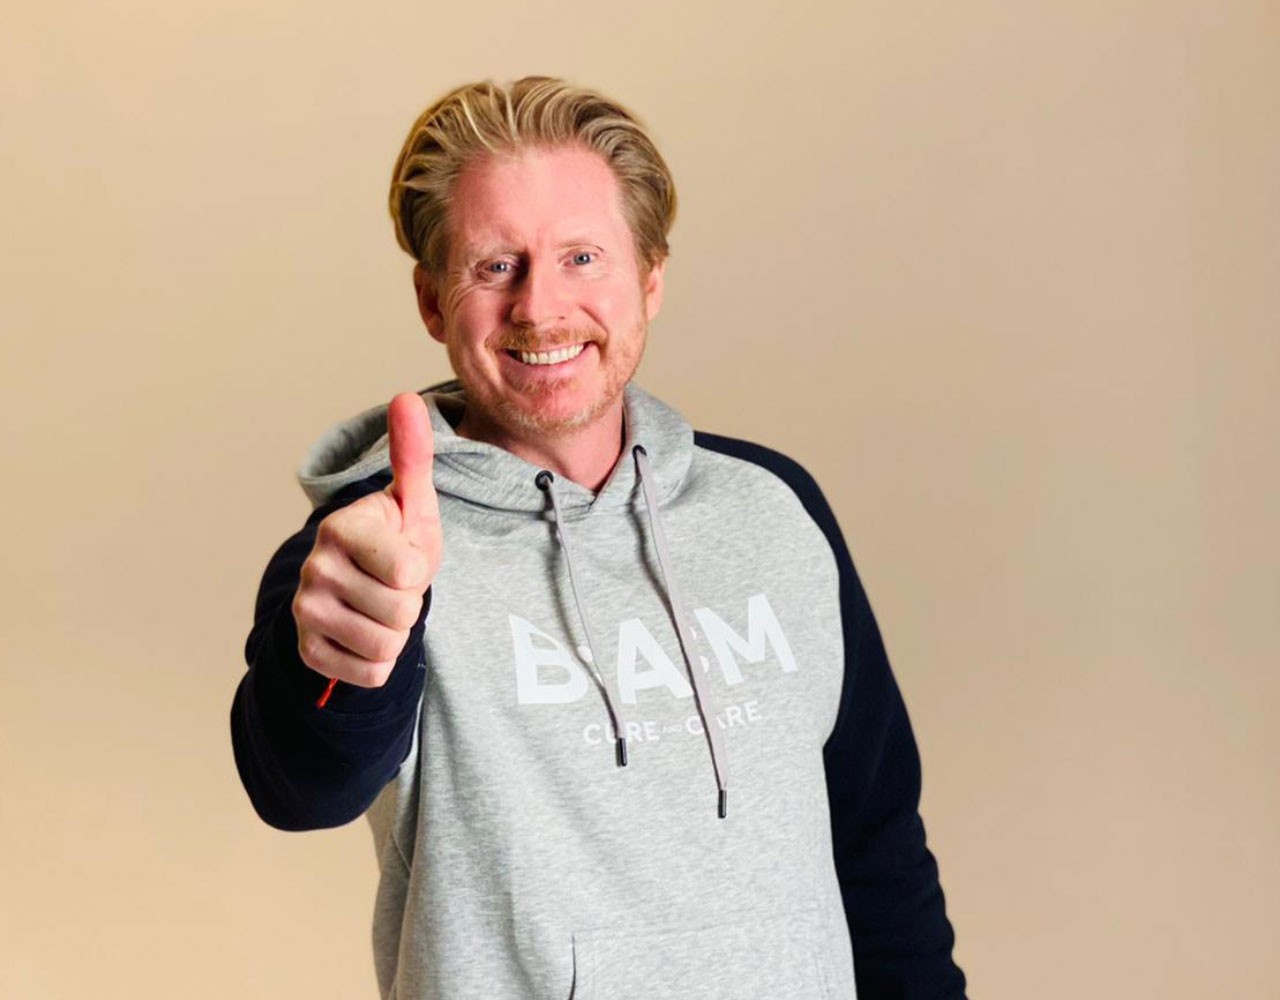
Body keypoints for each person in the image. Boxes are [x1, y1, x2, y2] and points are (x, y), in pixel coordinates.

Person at [231, 76, 966, 999]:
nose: (540, 308)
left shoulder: (776, 510)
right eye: (496, 266)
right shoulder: (372, 551)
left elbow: (878, 844)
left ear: (650, 280)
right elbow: (300, 786)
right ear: (432, 301)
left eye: (582, 257)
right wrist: (344, 660)